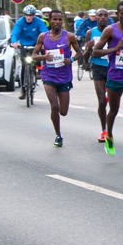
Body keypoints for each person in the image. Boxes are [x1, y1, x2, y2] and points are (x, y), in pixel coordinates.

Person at [93, 1, 123, 159]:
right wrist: (115, 48)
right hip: (115, 74)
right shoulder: (110, 30)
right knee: (113, 110)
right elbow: (95, 52)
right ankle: (109, 135)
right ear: (117, 14)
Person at [31, 10, 82, 147]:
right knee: (54, 105)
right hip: (49, 74)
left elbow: (80, 53)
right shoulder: (43, 37)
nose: (57, 22)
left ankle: (58, 122)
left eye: (60, 19)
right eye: (55, 19)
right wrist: (43, 57)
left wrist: (70, 59)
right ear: (50, 20)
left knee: (63, 111)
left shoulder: (69, 36)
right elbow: (34, 55)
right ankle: (58, 135)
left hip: (64, 76)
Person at [83, 8, 111, 142]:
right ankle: (104, 130)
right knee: (101, 101)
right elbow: (84, 56)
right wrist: (87, 48)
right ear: (96, 17)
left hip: (113, 67)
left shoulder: (113, 30)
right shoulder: (91, 32)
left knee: (112, 100)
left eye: (105, 15)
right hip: (98, 67)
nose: (103, 18)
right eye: (100, 15)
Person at [11, 5, 49, 100]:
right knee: (24, 65)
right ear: (24, 15)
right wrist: (14, 42)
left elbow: (45, 33)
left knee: (37, 59)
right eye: (27, 15)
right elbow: (15, 33)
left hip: (35, 45)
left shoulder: (39, 22)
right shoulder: (20, 22)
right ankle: (23, 89)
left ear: (34, 15)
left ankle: (37, 72)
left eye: (31, 15)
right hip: (23, 45)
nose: (28, 17)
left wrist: (45, 43)